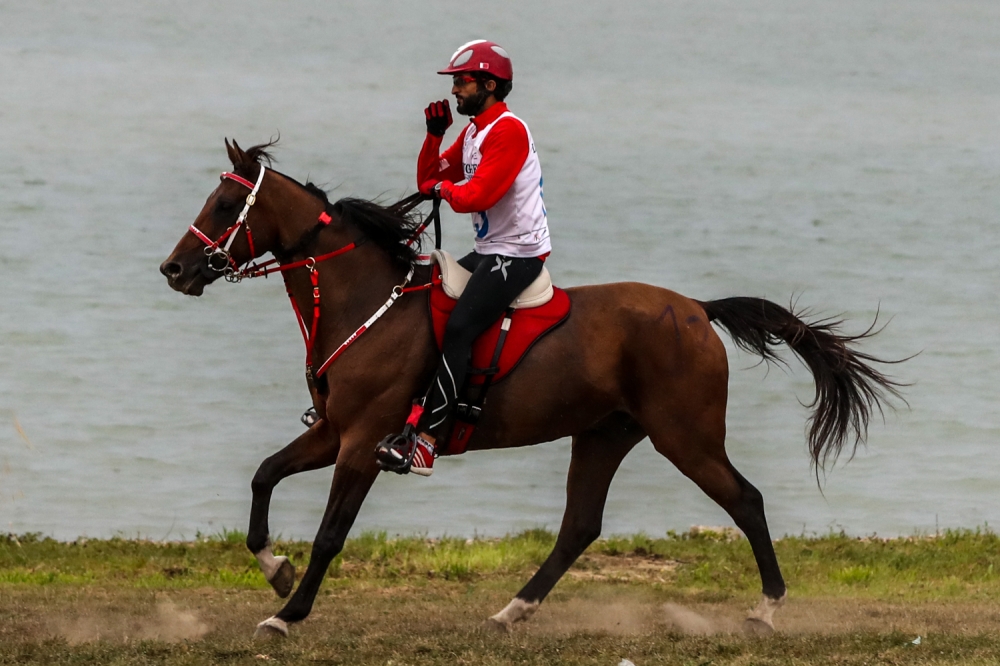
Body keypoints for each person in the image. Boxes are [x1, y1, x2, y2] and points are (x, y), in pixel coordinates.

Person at [375, 39, 551, 477]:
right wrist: (434, 138)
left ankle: (429, 443)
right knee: (426, 299)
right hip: (492, 250)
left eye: (461, 81)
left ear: (489, 84)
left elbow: (477, 196)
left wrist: (443, 190)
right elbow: (428, 178)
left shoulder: (508, 131)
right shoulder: (474, 131)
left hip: (518, 254)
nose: (454, 91)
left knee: (459, 328)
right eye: (454, 82)